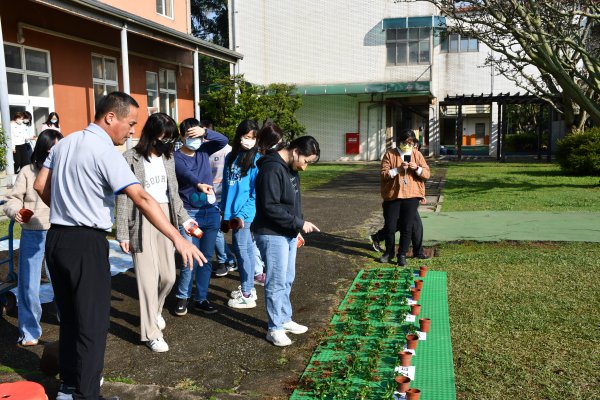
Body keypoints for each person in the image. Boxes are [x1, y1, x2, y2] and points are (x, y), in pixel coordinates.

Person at [34, 92, 205, 400]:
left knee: (71, 318)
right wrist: (178, 237)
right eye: (130, 123)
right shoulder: (105, 152)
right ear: (110, 117)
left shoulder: (64, 143)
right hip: (85, 241)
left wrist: (65, 209)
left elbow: (39, 185)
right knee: (93, 323)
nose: (132, 131)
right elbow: (141, 198)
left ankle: (69, 387)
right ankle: (87, 395)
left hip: (57, 239)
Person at [115, 113, 195, 353]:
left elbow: (174, 194)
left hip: (166, 218)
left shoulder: (168, 158)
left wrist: (185, 219)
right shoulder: (130, 158)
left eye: (171, 139)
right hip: (140, 219)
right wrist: (123, 233)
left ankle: (155, 310)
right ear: (151, 134)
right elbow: (122, 197)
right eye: (164, 138)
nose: (168, 143)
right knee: (147, 279)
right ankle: (151, 332)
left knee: (169, 276)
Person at [253, 134, 321, 346]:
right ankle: (274, 328)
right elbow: (270, 206)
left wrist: (296, 227)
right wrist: (299, 223)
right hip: (272, 233)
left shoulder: (291, 169)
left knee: (287, 278)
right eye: (305, 161)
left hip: (288, 232)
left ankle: (284, 318)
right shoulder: (271, 169)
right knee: (276, 281)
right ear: (295, 151)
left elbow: (293, 204)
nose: (305, 167)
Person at [3, 129, 63, 347]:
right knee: (28, 284)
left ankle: (69, 325)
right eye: (50, 150)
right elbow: (12, 199)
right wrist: (16, 211)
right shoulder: (28, 171)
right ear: (42, 150)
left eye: (58, 149)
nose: (54, 154)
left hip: (59, 231)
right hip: (33, 231)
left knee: (63, 282)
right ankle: (29, 331)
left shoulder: (65, 170)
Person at [173, 117, 228, 316]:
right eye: (190, 134)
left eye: (197, 134)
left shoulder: (204, 150)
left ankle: (201, 298)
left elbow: (223, 140)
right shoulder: (176, 157)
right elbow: (187, 174)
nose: (194, 139)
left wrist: (205, 132)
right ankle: (182, 297)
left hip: (210, 212)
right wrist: (199, 185)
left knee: (205, 259)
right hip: (190, 214)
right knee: (189, 259)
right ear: (182, 136)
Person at [370, 132, 430, 259]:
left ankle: (403, 254)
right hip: (393, 196)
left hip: (412, 196)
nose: (408, 145)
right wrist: (398, 169)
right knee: (391, 226)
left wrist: (417, 168)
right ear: (399, 141)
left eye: (411, 143)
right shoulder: (390, 154)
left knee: (408, 226)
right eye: (405, 142)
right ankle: (389, 252)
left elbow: (426, 173)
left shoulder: (417, 154)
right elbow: (383, 174)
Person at [221, 119, 260, 309]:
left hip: (244, 215)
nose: (249, 141)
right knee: (246, 249)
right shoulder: (231, 157)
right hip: (231, 213)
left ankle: (246, 293)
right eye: (246, 136)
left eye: (252, 138)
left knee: (242, 251)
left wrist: (242, 216)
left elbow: (254, 194)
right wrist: (224, 212)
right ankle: (249, 288)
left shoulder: (257, 160)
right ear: (239, 136)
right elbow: (226, 188)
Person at [207, 120, 237, 277]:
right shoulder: (202, 150)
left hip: (224, 196)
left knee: (216, 230)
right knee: (215, 230)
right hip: (208, 196)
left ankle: (226, 260)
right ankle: (228, 259)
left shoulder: (227, 150)